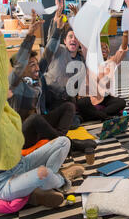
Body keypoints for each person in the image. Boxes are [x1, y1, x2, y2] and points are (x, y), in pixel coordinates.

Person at [0, 22, 84, 208]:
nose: (7, 82)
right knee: (42, 173)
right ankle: (60, 180)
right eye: (1, 84)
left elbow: (44, 57)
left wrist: (55, 29)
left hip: (22, 163)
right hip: (5, 180)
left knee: (64, 142)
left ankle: (45, 186)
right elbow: (5, 80)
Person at [7, 9, 96, 152]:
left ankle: (60, 143)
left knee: (69, 107)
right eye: (32, 65)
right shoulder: (15, 83)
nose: (37, 67)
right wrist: (30, 35)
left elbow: (48, 53)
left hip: (39, 126)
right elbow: (21, 61)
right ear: (22, 68)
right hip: (21, 135)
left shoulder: (36, 75)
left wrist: (59, 30)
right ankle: (70, 145)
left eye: (36, 63)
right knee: (35, 119)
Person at [39, 0, 87, 115]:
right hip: (49, 94)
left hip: (64, 98)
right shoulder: (59, 49)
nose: (73, 39)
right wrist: (58, 12)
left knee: (75, 120)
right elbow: (52, 38)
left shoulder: (81, 60)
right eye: (70, 36)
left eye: (76, 38)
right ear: (65, 40)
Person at [75, 31, 128, 121]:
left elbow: (123, 49)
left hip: (105, 97)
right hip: (91, 96)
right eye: (101, 47)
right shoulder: (90, 60)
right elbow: (83, 45)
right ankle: (105, 116)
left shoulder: (112, 61)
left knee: (121, 102)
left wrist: (125, 34)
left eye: (106, 47)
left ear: (109, 51)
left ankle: (94, 115)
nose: (103, 48)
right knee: (82, 103)